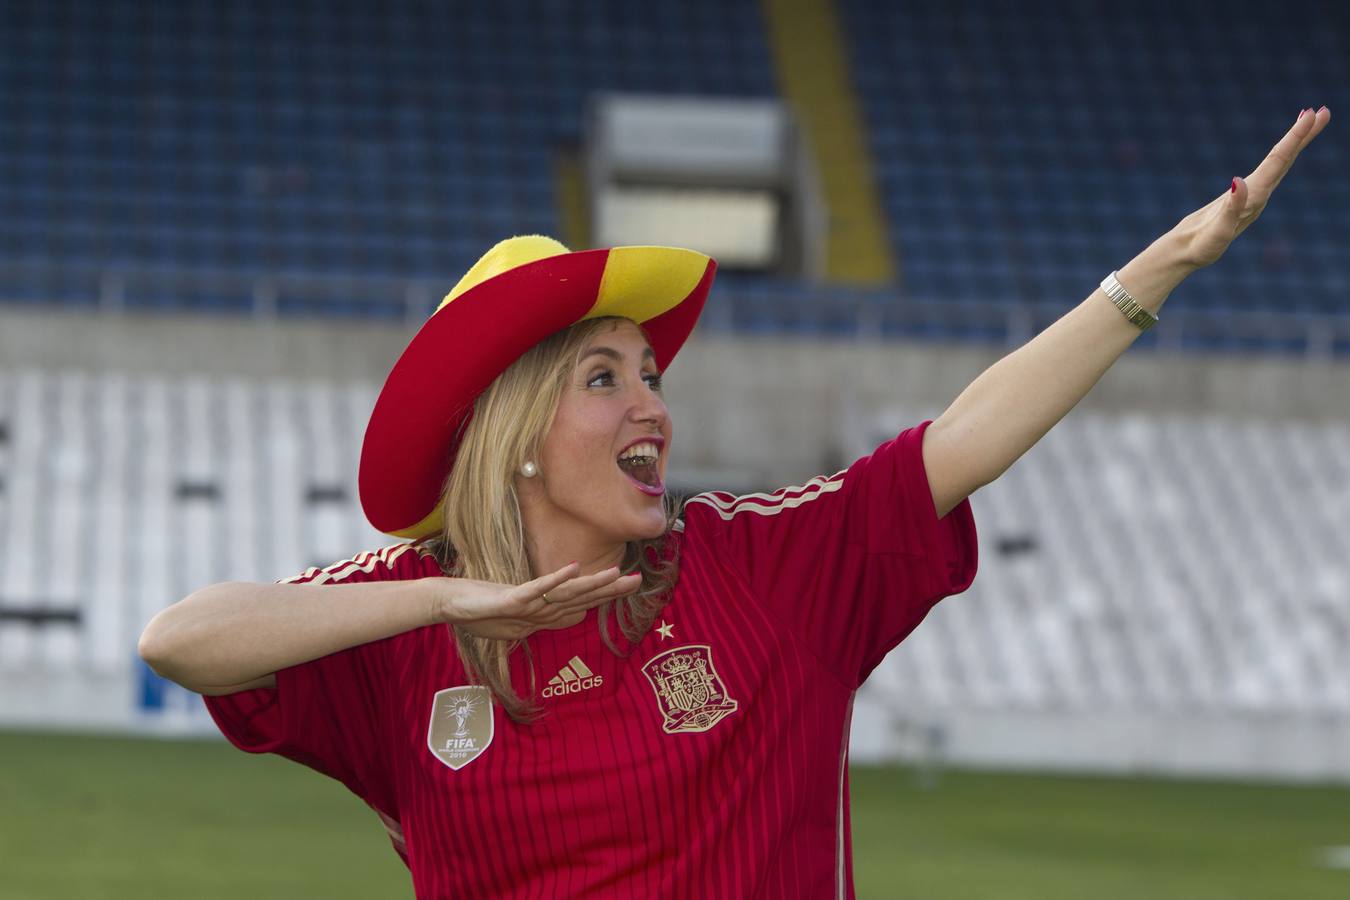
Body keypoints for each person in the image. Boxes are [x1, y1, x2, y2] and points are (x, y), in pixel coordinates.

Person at [139, 107, 1329, 898]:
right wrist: (454, 595)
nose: (652, 406)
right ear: (516, 441)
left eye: (651, 376)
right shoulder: (406, 623)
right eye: (603, 380)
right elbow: (181, 641)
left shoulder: (764, 568)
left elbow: (962, 441)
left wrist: (1157, 269)